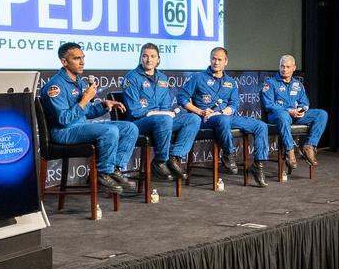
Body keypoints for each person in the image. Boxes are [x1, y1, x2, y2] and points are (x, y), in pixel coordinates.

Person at [40, 42, 139, 194]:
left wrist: (104, 105)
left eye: (83, 58)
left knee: (130, 128)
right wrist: (85, 99)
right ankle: (102, 173)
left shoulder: (79, 82)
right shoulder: (55, 87)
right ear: (64, 61)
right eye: (76, 58)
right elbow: (64, 120)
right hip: (64, 132)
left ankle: (114, 169)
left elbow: (85, 112)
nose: (82, 62)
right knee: (110, 130)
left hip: (81, 126)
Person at [178, 46, 270, 187]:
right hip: (204, 119)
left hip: (224, 116)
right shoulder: (198, 78)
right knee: (223, 119)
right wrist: (200, 111)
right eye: (213, 59)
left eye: (219, 59)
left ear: (226, 62)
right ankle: (228, 154)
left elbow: (234, 105)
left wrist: (221, 112)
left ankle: (258, 165)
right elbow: (182, 98)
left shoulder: (230, 82)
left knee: (261, 126)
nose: (216, 62)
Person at [121, 43, 201, 180]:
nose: (149, 60)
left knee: (193, 119)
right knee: (165, 119)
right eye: (145, 56)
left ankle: (174, 158)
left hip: (162, 122)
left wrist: (163, 114)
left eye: (153, 56)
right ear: (140, 58)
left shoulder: (163, 78)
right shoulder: (131, 77)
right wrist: (158, 114)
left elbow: (165, 107)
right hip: (139, 123)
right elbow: (135, 111)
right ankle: (159, 161)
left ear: (158, 59)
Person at [260, 55, 328, 171]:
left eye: (287, 67)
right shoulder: (270, 84)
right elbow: (269, 105)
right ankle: (289, 151)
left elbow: (305, 102)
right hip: (277, 117)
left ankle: (309, 146)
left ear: (294, 68)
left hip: (295, 116)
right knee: (283, 115)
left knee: (322, 114)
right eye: (282, 66)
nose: (284, 69)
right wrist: (289, 110)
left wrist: (301, 110)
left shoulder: (298, 85)